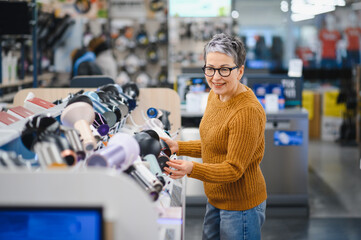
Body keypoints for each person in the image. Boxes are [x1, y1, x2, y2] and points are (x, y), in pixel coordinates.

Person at [161, 33, 267, 240]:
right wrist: (177, 147)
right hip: (216, 198)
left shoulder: (247, 111)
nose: (216, 77)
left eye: (224, 69)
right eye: (210, 68)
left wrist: (191, 168)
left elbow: (234, 169)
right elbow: (214, 144)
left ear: (240, 71)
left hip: (241, 207)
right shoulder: (215, 95)